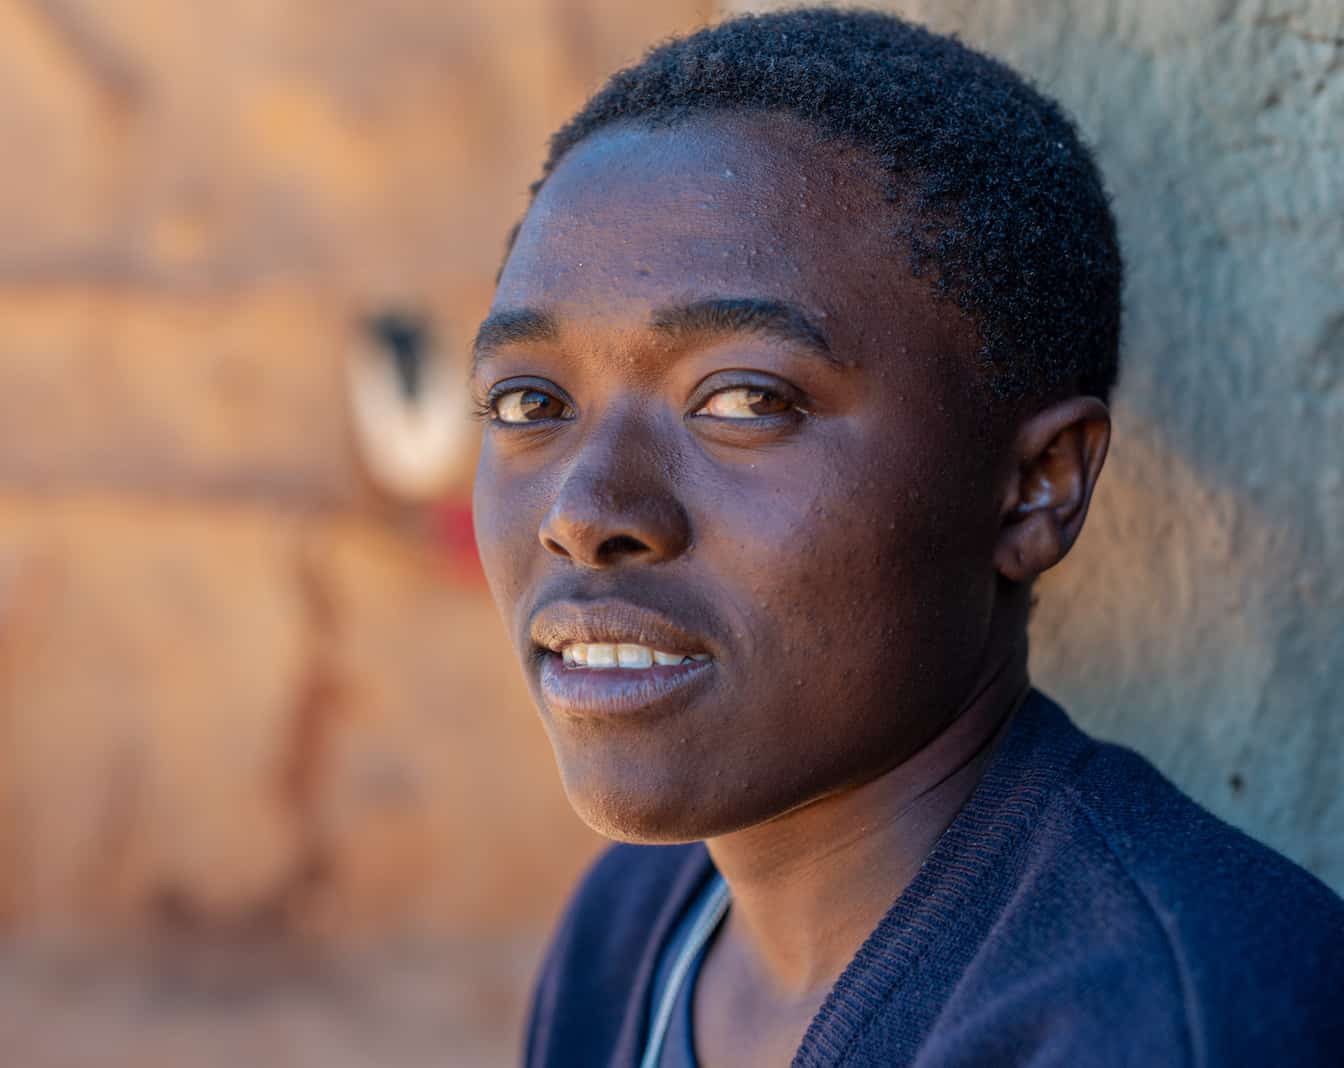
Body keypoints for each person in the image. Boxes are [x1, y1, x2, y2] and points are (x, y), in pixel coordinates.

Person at [466, 8, 1344, 1067]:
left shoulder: (1164, 1018)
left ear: (1035, 488)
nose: (584, 510)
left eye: (744, 398)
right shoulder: (637, 928)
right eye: (526, 404)